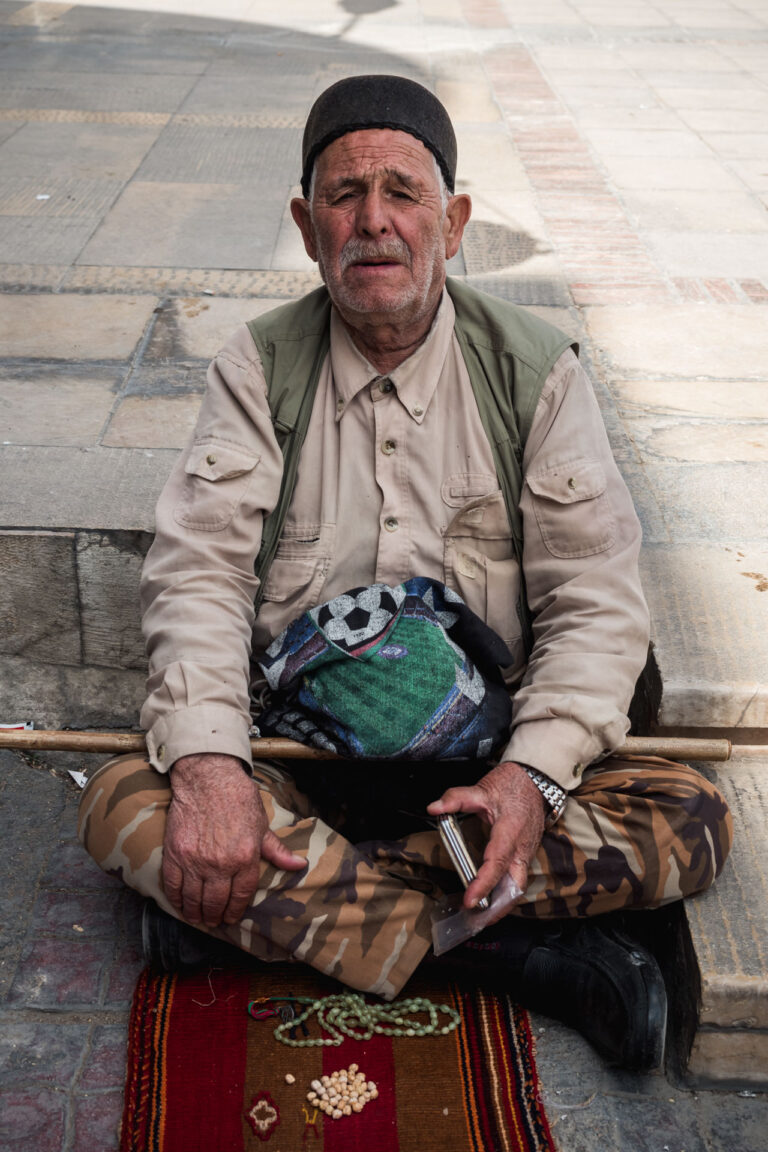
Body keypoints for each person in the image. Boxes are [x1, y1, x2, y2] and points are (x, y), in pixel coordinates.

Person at [78, 75, 732, 1072]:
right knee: (126, 804)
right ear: (307, 225)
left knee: (692, 814)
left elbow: (597, 610)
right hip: (302, 779)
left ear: (454, 220)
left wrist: (528, 780)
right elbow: (198, 575)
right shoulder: (258, 370)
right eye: (345, 195)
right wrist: (213, 773)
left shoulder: (533, 373)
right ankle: (514, 955)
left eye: (402, 192)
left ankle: (269, 918)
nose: (373, 222)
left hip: (480, 785)